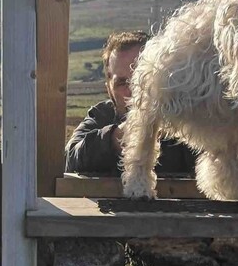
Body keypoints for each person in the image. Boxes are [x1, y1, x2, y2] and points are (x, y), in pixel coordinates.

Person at [64, 30, 196, 175]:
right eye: (122, 83)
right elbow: (70, 158)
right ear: (109, 88)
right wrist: (114, 139)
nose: (134, 91)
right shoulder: (102, 115)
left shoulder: (186, 116)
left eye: (142, 79)